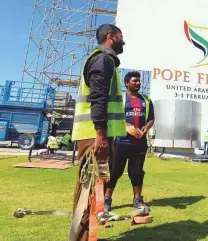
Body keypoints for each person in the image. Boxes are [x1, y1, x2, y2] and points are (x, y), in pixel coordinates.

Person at [69, 23, 126, 241]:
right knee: (89, 190)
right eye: (121, 36)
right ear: (111, 36)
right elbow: (98, 99)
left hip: (96, 135)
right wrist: (101, 136)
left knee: (92, 189)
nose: (124, 40)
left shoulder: (105, 59)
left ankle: (85, 237)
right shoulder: (102, 59)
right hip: (95, 136)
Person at [104, 71, 155, 212]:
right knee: (114, 172)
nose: (138, 83)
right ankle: (107, 200)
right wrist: (125, 127)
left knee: (137, 172)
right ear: (127, 83)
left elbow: (151, 118)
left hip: (139, 144)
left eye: (139, 81)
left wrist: (146, 127)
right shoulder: (120, 99)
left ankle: (137, 200)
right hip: (120, 142)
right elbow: (112, 116)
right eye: (135, 81)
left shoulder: (146, 100)